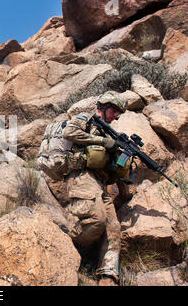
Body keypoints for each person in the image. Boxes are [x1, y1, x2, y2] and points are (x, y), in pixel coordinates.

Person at [37, 91, 128, 286]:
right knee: (97, 219)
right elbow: (70, 133)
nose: (116, 116)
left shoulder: (108, 131)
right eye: (113, 111)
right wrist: (102, 141)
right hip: (81, 176)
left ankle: (108, 275)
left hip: (101, 182)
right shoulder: (85, 119)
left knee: (113, 227)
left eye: (118, 113)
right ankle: (70, 244)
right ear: (102, 106)